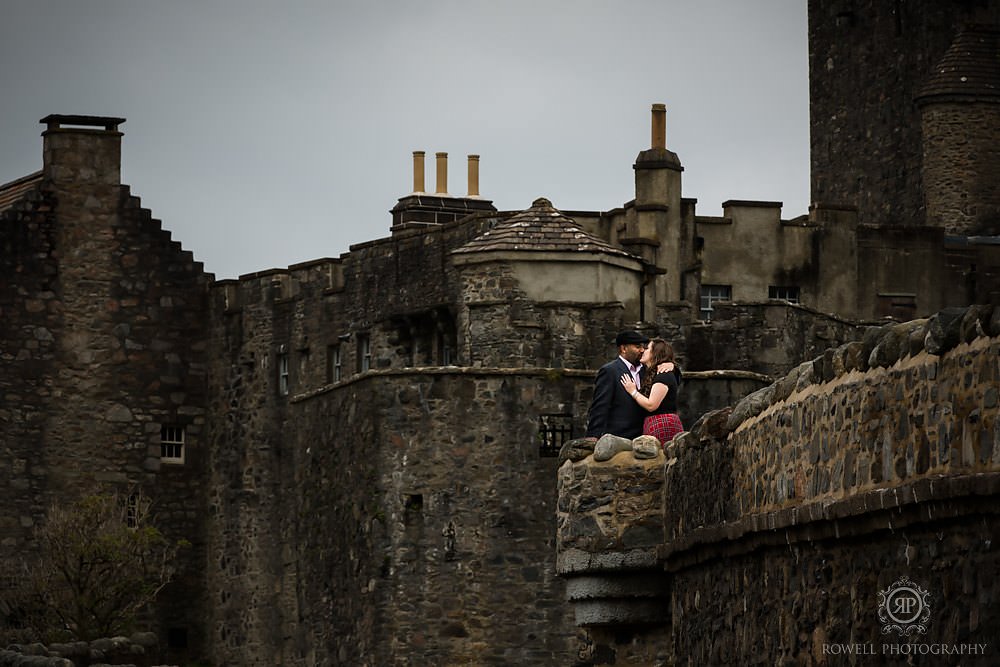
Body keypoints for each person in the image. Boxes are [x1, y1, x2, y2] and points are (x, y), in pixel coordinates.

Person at [585, 330, 649, 440]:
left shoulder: (646, 370)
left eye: (643, 347)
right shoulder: (610, 371)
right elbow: (600, 406)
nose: (642, 350)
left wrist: (669, 365)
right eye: (638, 347)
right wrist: (592, 436)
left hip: (644, 437)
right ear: (623, 349)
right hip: (618, 437)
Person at [619, 338, 684, 445]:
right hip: (654, 423)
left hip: (663, 425)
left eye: (647, 348)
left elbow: (651, 405)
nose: (643, 351)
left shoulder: (664, 375)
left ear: (655, 353)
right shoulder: (652, 373)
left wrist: (633, 391)